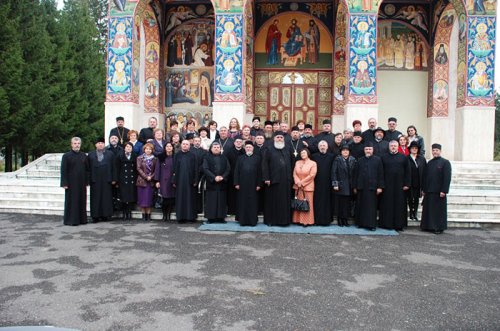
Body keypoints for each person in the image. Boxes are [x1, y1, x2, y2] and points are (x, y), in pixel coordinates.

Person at [262, 132, 293, 226]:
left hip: (286, 180)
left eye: (281, 137)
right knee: (272, 202)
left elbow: (292, 163)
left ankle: (284, 221)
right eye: (278, 137)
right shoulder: (269, 149)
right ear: (274, 139)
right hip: (273, 181)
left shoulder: (288, 148)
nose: (279, 139)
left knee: (284, 202)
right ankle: (272, 221)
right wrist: (266, 178)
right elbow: (264, 164)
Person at [379, 141, 410, 231]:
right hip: (387, 186)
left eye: (395, 146)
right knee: (387, 205)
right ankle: (386, 224)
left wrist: (407, 184)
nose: (393, 147)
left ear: (398, 147)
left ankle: (399, 225)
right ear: (389, 147)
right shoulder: (383, 157)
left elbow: (408, 172)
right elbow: (380, 172)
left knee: (399, 205)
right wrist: (381, 185)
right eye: (391, 146)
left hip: (400, 186)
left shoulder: (403, 157)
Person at [421, 144, 451, 234]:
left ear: (440, 151)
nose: (435, 152)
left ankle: (438, 227)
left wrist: (444, 190)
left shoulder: (445, 162)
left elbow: (447, 178)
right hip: (429, 191)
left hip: (439, 192)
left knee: (438, 211)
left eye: (437, 150)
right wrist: (424, 189)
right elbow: (425, 177)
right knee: (428, 210)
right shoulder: (429, 163)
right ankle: (428, 226)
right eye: (433, 150)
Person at [353, 143, 384, 231]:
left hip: (372, 188)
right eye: (366, 149)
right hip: (361, 187)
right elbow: (355, 174)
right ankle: (360, 223)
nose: (368, 151)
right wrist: (355, 186)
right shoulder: (359, 160)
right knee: (360, 206)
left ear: (372, 150)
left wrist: (380, 187)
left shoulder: (378, 160)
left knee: (371, 207)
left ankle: (371, 225)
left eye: (370, 149)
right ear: (364, 150)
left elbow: (381, 174)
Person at [87, 137, 117, 223]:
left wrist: (114, 178)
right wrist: (88, 179)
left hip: (107, 179)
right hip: (95, 180)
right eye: (98, 143)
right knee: (95, 198)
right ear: (96, 145)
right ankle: (95, 216)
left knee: (106, 198)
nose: (100, 144)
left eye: (102, 143)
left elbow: (114, 167)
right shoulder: (91, 154)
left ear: (104, 144)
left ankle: (106, 215)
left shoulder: (110, 154)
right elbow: (88, 168)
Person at [61, 137, 88, 226]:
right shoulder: (66, 156)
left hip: (81, 183)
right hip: (71, 183)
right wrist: (64, 183)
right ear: (71, 144)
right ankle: (71, 220)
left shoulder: (84, 155)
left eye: (78, 143)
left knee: (81, 200)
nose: (77, 145)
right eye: (75, 143)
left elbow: (87, 170)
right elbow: (63, 170)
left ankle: (82, 220)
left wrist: (87, 181)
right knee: (72, 201)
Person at [234, 141, 262, 226]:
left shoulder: (257, 158)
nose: (248, 148)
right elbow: (236, 171)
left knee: (253, 202)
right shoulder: (240, 158)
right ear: (245, 149)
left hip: (254, 185)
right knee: (243, 202)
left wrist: (259, 184)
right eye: (247, 147)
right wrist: (236, 183)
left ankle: (252, 221)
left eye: (250, 147)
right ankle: (242, 221)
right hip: (242, 184)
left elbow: (260, 172)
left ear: (253, 148)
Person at [202, 142, 230, 223]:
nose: (216, 148)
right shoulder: (207, 157)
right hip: (212, 183)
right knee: (211, 201)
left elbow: (228, 169)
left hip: (222, 183)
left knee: (221, 201)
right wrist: (214, 177)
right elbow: (205, 168)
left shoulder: (224, 158)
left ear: (220, 149)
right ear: (211, 149)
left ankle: (221, 218)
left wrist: (223, 177)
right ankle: (211, 218)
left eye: (218, 147)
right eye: (214, 147)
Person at [172, 140, 198, 223]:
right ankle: (181, 217)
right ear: (181, 145)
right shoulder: (177, 155)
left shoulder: (193, 155)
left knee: (190, 199)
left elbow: (196, 169)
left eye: (187, 144)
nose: (185, 145)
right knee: (180, 199)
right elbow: (174, 169)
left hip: (190, 181)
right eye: (184, 144)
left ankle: (190, 217)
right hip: (179, 181)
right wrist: (174, 181)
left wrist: (195, 180)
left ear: (189, 146)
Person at [332, 145, 356, 227]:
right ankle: (340, 219)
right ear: (341, 152)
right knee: (340, 204)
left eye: (347, 150)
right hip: (341, 185)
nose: (345, 152)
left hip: (350, 186)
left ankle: (346, 220)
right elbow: (334, 172)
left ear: (349, 152)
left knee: (348, 204)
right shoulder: (337, 159)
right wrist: (335, 184)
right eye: (343, 150)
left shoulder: (353, 160)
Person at [311, 140, 334, 226]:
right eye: (321, 145)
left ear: (327, 147)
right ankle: (317, 220)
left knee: (327, 202)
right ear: (318, 147)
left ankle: (326, 220)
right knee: (317, 201)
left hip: (328, 183)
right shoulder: (314, 156)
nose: (322, 147)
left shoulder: (332, 156)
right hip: (316, 182)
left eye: (324, 145)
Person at [292, 148, 317, 226]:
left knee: (306, 204)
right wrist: (297, 182)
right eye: (301, 153)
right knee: (298, 203)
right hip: (298, 187)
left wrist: (302, 183)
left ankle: (306, 222)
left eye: (304, 153)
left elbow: (312, 175)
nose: (303, 154)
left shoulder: (313, 163)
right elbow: (294, 173)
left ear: (308, 154)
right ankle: (297, 220)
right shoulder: (297, 162)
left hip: (307, 187)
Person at [116, 142, 137, 220]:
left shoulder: (135, 156)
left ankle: (129, 213)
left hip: (132, 179)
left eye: (130, 147)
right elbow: (117, 168)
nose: (128, 148)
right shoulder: (119, 156)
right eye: (127, 147)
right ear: (124, 148)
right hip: (123, 179)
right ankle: (125, 213)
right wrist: (116, 180)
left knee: (131, 196)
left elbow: (136, 169)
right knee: (124, 197)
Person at [154, 142, 176, 221]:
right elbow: (157, 170)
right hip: (163, 180)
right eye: (167, 146)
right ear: (165, 148)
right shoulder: (161, 157)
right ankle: (164, 215)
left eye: (170, 146)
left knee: (170, 199)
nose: (169, 147)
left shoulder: (175, 157)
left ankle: (168, 215)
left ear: (172, 148)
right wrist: (157, 181)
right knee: (164, 199)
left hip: (172, 181)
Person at [136, 143, 157, 221]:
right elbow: (138, 168)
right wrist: (146, 177)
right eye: (147, 149)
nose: (148, 150)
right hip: (142, 181)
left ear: (152, 150)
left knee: (149, 199)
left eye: (150, 149)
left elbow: (156, 170)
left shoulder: (155, 159)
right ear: (144, 149)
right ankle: (143, 215)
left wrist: (151, 177)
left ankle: (148, 215)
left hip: (150, 181)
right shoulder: (139, 158)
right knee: (142, 199)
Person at [224, 137, 244, 217]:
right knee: (231, 194)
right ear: (234, 143)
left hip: (242, 176)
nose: (238, 143)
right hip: (231, 176)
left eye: (240, 142)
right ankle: (231, 210)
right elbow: (226, 163)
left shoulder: (244, 151)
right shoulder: (229, 152)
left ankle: (240, 209)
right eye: (237, 142)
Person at [408, 141, 426, 221]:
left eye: (416, 148)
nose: (414, 149)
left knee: (416, 199)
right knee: (410, 198)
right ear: (410, 149)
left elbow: (425, 171)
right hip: (409, 181)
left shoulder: (421, 159)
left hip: (418, 181)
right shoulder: (407, 158)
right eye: (413, 148)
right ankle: (411, 213)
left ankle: (415, 213)